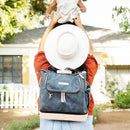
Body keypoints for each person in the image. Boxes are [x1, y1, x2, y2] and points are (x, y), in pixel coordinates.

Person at [34, 12, 98, 130]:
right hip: (81, 118)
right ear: (78, 48)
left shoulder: (45, 71)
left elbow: (41, 53)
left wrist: (50, 26)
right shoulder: (86, 72)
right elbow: (90, 55)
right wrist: (80, 26)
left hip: (49, 118)